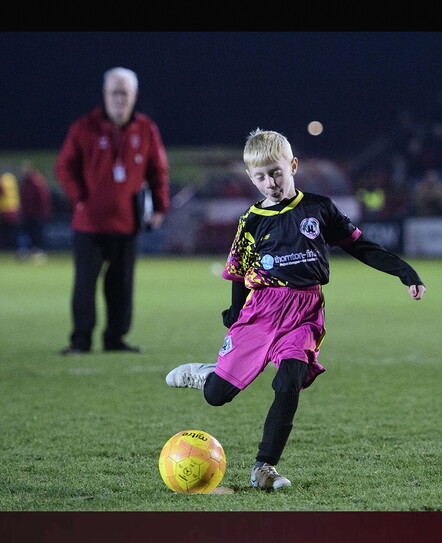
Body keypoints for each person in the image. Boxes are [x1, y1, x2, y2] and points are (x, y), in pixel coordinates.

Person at [165, 128, 426, 491]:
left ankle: (264, 467)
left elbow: (361, 246)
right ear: (249, 177)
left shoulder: (318, 208)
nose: (270, 182)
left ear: (293, 165)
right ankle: (208, 375)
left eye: (276, 172)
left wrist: (403, 271)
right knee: (217, 397)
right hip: (261, 311)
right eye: (260, 176)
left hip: (304, 312)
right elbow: (238, 273)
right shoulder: (251, 222)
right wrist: (235, 312)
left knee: (289, 381)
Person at [54, 66, 171, 355]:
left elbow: (159, 170)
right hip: (89, 224)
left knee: (121, 286)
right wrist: (80, 198)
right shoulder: (84, 127)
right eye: (114, 92)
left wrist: (159, 206)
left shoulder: (146, 129)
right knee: (84, 286)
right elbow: (63, 167)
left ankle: (115, 339)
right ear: (105, 94)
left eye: (125, 93)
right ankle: (80, 341)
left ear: (134, 96)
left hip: (127, 222)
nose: (119, 98)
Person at [18, 159, 53, 262]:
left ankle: (40, 253)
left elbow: (44, 198)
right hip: (27, 213)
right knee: (26, 233)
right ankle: (26, 252)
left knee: (38, 234)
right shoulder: (24, 182)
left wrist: (44, 212)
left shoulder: (37, 181)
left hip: (38, 213)